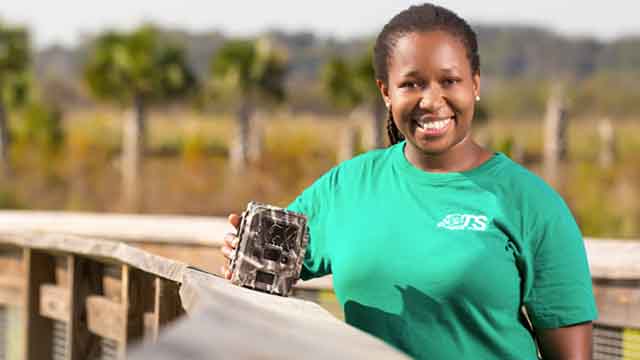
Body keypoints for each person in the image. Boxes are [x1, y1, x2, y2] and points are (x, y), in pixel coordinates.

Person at [222, 3, 598, 359]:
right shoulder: (348, 187)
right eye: (412, 84)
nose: (432, 100)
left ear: (475, 84)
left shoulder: (531, 203)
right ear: (386, 91)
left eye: (450, 80)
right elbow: (267, 266)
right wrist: (240, 251)